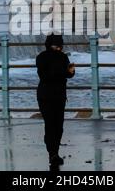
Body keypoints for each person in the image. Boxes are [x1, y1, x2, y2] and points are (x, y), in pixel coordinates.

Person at [36, 33, 75, 166]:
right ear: (49, 45)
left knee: (58, 126)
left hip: (58, 96)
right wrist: (65, 73)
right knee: (51, 124)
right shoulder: (42, 57)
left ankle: (54, 152)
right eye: (55, 46)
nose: (58, 49)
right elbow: (46, 76)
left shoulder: (63, 57)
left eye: (60, 47)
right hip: (46, 96)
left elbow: (68, 75)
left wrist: (70, 72)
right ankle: (52, 153)